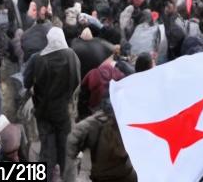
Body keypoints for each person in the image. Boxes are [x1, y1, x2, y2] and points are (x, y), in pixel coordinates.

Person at [25, 26, 81, 178]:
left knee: (47, 148)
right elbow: (77, 81)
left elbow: (26, 82)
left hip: (43, 110)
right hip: (64, 110)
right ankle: (66, 175)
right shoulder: (72, 55)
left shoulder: (38, 58)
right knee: (65, 145)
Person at [64, 99, 136, 182]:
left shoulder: (94, 123)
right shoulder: (95, 124)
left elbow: (71, 144)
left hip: (113, 175)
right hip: (118, 175)